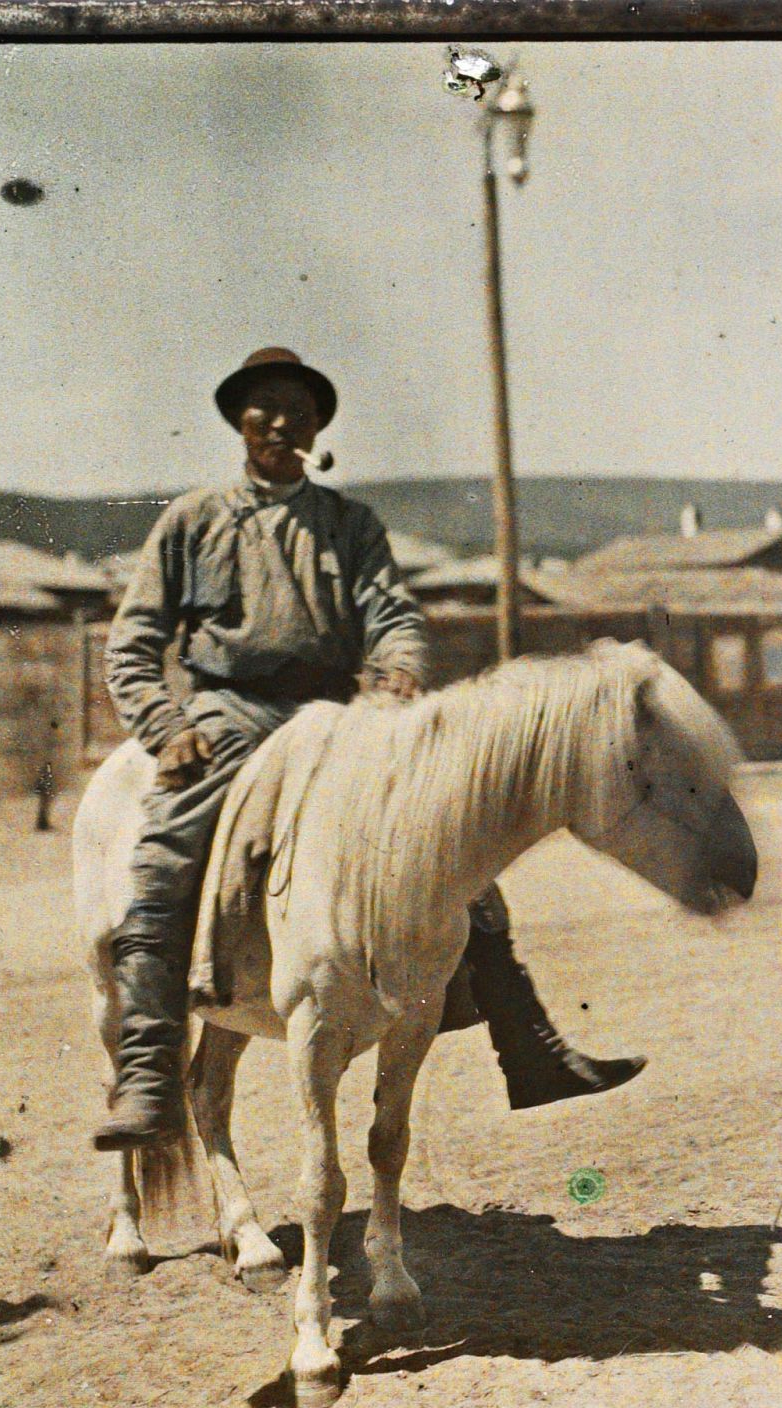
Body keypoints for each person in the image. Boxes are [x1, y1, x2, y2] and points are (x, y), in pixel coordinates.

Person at [93, 346, 643, 1151]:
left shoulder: (349, 525)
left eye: (300, 411)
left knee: (457, 852)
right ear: (239, 422)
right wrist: (165, 729)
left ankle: (525, 1044)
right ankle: (147, 1068)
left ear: (318, 428)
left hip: (338, 719)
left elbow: (394, 617)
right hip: (231, 714)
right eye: (265, 407)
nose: (283, 422)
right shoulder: (193, 521)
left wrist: (395, 677)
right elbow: (132, 642)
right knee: (166, 850)